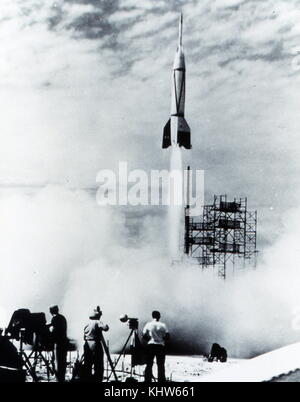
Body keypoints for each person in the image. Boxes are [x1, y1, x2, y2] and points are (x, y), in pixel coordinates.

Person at [143, 311, 169, 383]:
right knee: (160, 365)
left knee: (149, 364)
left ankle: (147, 380)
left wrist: (150, 338)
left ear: (152, 316)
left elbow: (144, 335)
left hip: (151, 345)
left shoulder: (149, 324)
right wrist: (161, 338)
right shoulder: (163, 325)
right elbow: (167, 336)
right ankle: (161, 381)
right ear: (159, 316)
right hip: (160, 346)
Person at [83, 307, 109, 382]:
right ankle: (97, 379)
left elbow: (84, 336)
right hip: (95, 344)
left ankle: (87, 379)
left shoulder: (86, 323)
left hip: (87, 344)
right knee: (98, 364)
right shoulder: (97, 322)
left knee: (88, 364)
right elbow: (106, 328)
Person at [48, 305, 68, 382]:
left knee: (58, 363)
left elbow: (53, 330)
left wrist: (49, 329)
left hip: (58, 343)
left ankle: (58, 379)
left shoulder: (55, 319)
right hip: (64, 342)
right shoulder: (62, 317)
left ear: (51, 311)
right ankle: (61, 379)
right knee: (62, 362)